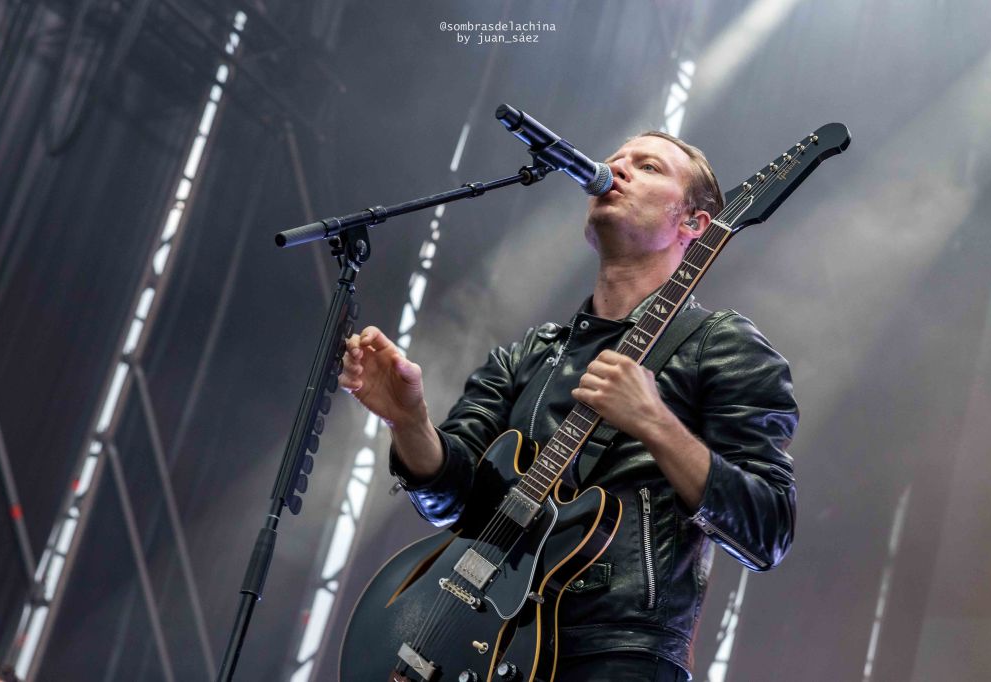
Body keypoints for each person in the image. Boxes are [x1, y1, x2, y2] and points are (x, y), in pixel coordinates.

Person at [341, 131, 798, 681]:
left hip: (617, 653)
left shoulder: (723, 345)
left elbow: (767, 530)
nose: (616, 168)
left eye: (648, 167)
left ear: (694, 224)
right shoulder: (529, 354)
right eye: (615, 159)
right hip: (478, 637)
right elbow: (453, 502)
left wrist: (655, 422)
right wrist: (409, 421)